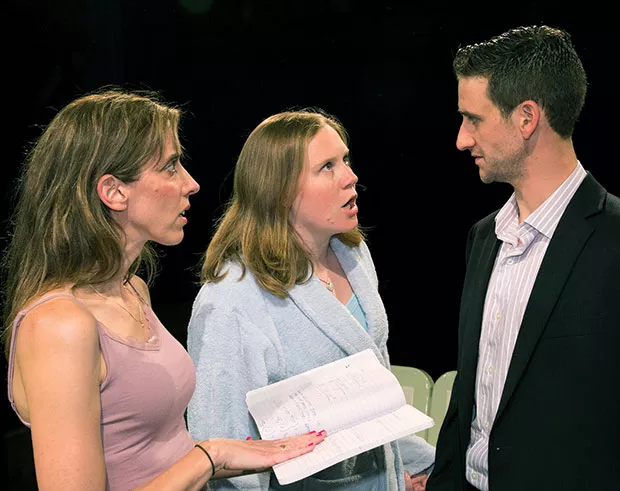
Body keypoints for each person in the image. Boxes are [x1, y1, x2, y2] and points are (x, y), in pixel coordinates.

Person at [1, 89, 327, 491]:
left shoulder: (133, 291)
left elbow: (153, 456)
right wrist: (210, 456)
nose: (191, 183)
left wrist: (231, 455)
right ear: (113, 191)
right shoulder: (59, 326)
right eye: (171, 166)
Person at [186, 108, 436, 491]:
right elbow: (221, 445)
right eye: (327, 167)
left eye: (345, 160)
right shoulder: (232, 299)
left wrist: (414, 468)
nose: (350, 177)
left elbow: (372, 400)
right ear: (281, 190)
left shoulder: (353, 255)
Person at [426, 25, 620, 491]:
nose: (461, 139)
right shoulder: (483, 238)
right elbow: (467, 405)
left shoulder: (614, 240)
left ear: (526, 118)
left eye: (473, 119)